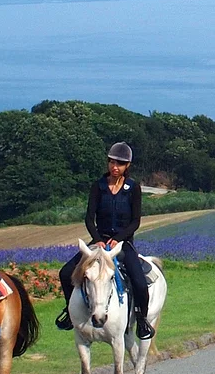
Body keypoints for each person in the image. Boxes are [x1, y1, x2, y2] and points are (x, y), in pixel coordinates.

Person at [56, 141, 151, 338]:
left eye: (120, 164)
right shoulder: (98, 186)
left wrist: (118, 239)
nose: (115, 167)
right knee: (65, 273)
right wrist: (98, 239)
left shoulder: (133, 188)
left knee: (140, 283)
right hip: (99, 242)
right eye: (112, 162)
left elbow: (135, 221)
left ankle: (141, 320)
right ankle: (69, 312)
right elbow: (89, 218)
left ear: (127, 166)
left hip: (123, 243)